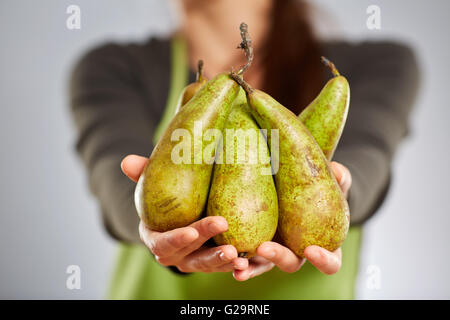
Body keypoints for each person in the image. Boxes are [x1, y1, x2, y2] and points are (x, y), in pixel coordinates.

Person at [69, 0, 419, 299]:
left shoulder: (378, 63)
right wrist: (162, 232)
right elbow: (119, 188)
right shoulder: (114, 67)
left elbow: (366, 160)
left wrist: (337, 188)